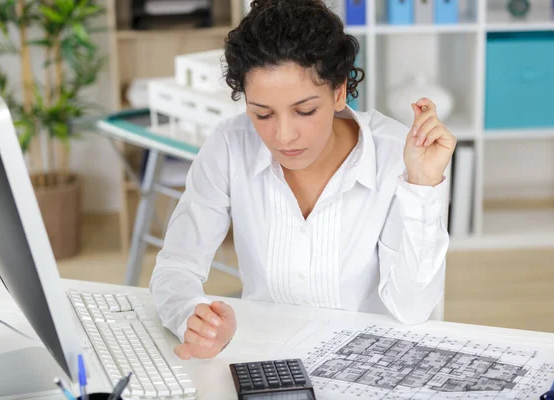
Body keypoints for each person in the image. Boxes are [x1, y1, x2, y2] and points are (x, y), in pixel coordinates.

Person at [149, 0, 456, 360]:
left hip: (368, 369)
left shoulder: (397, 156)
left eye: (305, 110)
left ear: (339, 91)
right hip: (268, 361)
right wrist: (193, 318)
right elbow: (176, 267)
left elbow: (413, 308)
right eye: (262, 114)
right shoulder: (230, 145)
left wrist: (421, 185)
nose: (283, 136)